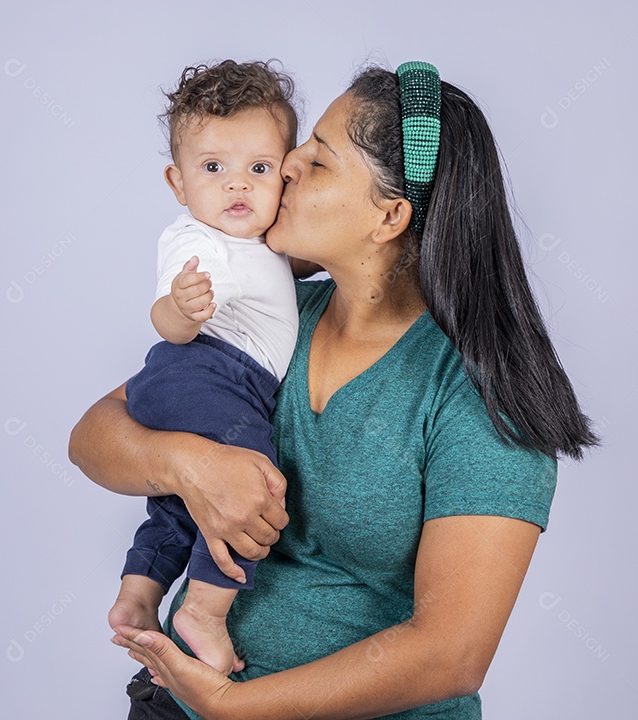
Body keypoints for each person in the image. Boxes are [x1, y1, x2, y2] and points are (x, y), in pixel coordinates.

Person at [70, 60, 598, 719]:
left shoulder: (476, 394)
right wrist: (192, 464)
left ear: (389, 217)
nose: (283, 165)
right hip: (176, 705)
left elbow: (451, 654)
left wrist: (239, 706)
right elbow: (96, 434)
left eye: (317, 162)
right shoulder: (279, 317)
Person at [112, 60, 312, 676]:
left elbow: (287, 269)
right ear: (177, 183)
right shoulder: (197, 243)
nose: (237, 188)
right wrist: (179, 308)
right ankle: (204, 610)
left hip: (209, 382)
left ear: (286, 175)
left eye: (259, 170)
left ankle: (139, 592)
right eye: (212, 169)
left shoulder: (260, 246)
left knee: (179, 503)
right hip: (207, 371)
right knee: (249, 474)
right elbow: (169, 319)